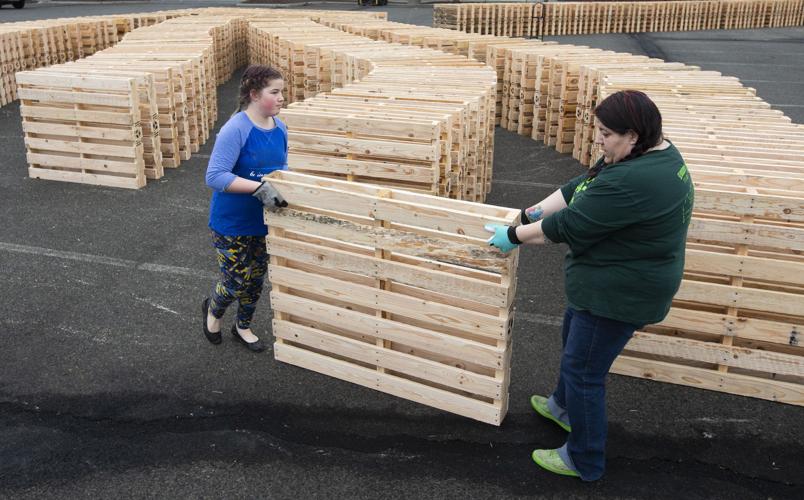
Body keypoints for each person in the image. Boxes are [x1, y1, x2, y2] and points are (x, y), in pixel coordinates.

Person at [485, 90, 694, 481]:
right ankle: (562, 408)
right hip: (611, 281)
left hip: (619, 294)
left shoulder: (634, 179)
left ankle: (584, 458)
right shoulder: (652, 153)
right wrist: (533, 211)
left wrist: (513, 235)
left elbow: (569, 225)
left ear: (631, 135)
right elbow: (584, 183)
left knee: (584, 371)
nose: (598, 139)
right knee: (575, 346)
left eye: (605, 133)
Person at [202, 65, 289, 353]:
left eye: (282, 92)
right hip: (232, 222)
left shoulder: (281, 128)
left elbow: (281, 169)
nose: (281, 98)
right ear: (254, 94)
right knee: (236, 280)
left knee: (256, 280)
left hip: (263, 221)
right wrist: (258, 188)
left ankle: (243, 327)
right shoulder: (235, 129)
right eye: (274, 92)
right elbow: (215, 176)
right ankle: (213, 313)